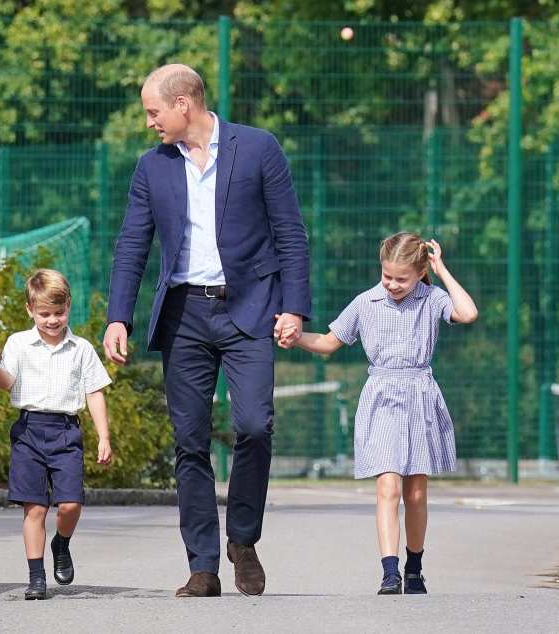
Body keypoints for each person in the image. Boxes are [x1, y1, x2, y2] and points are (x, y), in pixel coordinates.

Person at [103, 63, 311, 597]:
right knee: (190, 441)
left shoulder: (258, 148)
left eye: (153, 111)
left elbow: (290, 232)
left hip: (250, 309)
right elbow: (133, 243)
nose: (149, 122)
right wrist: (118, 316)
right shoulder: (153, 167)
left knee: (255, 424)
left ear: (183, 105)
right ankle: (203, 564)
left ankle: (242, 537)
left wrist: (295, 308)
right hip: (184, 317)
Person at [283, 233, 477, 595]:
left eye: (401, 278)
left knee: (416, 491)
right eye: (387, 276)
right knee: (387, 485)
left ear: (420, 272)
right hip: (382, 397)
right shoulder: (366, 302)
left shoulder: (432, 299)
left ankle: (414, 567)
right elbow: (328, 342)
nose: (392, 284)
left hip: (420, 395)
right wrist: (297, 338)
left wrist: (442, 270)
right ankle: (390, 572)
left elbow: (467, 313)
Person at [0, 269, 113, 600]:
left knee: (70, 504)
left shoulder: (81, 349)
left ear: (68, 306)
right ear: (30, 310)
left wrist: (103, 437)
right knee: (35, 508)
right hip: (29, 431)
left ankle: (62, 543)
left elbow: (95, 392)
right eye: (44, 314)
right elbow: (6, 382)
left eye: (59, 313)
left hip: (66, 432)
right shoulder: (18, 343)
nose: (53, 320)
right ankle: (36, 577)